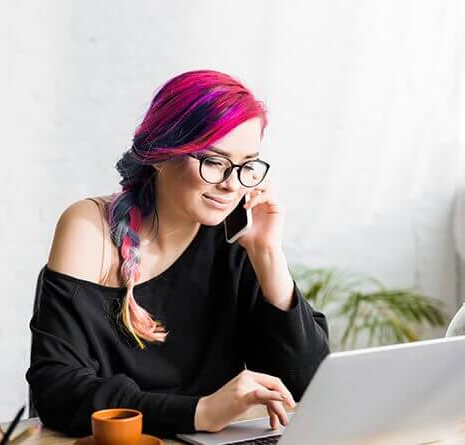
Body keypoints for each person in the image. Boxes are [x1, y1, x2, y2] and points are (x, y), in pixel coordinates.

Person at [26, 69, 330, 438]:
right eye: (214, 161)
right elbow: (58, 391)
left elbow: (309, 386)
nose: (232, 184)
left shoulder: (237, 240)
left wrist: (268, 254)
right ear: (159, 154)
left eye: (246, 165)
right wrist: (199, 412)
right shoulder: (90, 227)